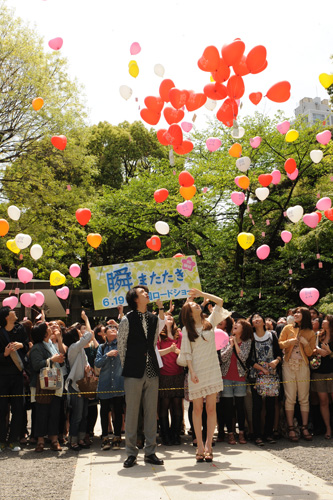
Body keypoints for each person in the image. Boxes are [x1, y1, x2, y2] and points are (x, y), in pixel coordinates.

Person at [180, 288, 230, 462]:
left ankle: (209, 445)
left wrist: (202, 294)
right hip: (197, 372)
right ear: (188, 310)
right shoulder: (187, 329)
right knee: (198, 409)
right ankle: (199, 446)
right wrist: (192, 372)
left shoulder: (210, 322)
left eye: (197, 304)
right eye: (193, 305)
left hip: (212, 369)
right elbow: (186, 354)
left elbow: (220, 301)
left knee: (211, 409)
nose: (197, 305)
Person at [117, 286, 165, 468]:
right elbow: (121, 346)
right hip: (133, 371)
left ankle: (150, 452)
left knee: (151, 412)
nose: (146, 293)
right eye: (142, 292)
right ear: (135, 299)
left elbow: (153, 343)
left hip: (152, 369)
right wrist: (128, 367)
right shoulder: (126, 319)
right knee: (132, 413)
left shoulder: (153, 318)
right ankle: (130, 453)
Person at [279, 307, 316, 442]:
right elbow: (280, 344)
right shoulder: (287, 328)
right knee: (290, 398)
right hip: (288, 365)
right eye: (295, 313)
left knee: (304, 398)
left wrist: (305, 343)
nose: (296, 314)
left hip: (303, 365)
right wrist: (289, 342)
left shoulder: (310, 332)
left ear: (304, 315)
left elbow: (310, 352)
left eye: (299, 313)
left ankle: (304, 427)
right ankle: (290, 428)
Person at [248, 313, 282, 446]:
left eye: (258, 317)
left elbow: (279, 354)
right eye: (253, 318)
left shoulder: (272, 335)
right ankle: (257, 435)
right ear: (252, 323)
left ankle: (269, 433)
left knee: (270, 405)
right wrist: (261, 368)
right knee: (256, 405)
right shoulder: (250, 337)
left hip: (271, 374)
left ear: (263, 321)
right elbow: (248, 359)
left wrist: (275, 361)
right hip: (256, 375)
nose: (256, 319)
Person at [29, 322, 64, 452]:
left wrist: (59, 359)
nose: (50, 328)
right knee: (41, 413)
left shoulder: (51, 344)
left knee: (54, 412)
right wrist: (52, 360)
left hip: (55, 383)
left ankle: (54, 440)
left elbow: (58, 359)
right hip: (42, 385)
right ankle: (40, 441)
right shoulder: (37, 347)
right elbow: (36, 365)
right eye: (47, 327)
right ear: (44, 333)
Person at [0, 306, 29, 452]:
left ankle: (14, 439)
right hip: (2, 376)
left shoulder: (20, 329)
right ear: (6, 316)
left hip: (17, 374)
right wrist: (4, 354)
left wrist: (21, 345)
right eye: (12, 311)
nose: (15, 312)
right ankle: (1, 440)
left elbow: (27, 345)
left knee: (18, 408)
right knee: (2, 408)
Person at [220, 319, 253, 445]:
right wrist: (230, 346)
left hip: (240, 378)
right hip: (226, 377)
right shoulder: (225, 339)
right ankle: (230, 434)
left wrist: (237, 345)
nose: (234, 326)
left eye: (237, 325)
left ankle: (241, 433)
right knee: (228, 407)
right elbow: (223, 358)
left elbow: (244, 357)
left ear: (243, 329)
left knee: (240, 406)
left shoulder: (247, 342)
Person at [63, 318, 93, 451]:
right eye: (78, 333)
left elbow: (85, 363)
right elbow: (89, 335)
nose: (82, 334)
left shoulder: (78, 349)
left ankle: (80, 439)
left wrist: (88, 368)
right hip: (75, 386)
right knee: (77, 415)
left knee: (84, 414)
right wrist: (86, 320)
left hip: (82, 385)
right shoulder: (74, 348)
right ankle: (73, 440)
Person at [95, 324, 125, 451]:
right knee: (104, 411)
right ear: (104, 334)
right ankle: (105, 437)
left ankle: (117, 437)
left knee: (118, 412)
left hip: (119, 383)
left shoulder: (122, 345)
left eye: (115, 329)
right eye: (110, 329)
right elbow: (97, 363)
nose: (113, 330)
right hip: (105, 384)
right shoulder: (102, 347)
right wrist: (107, 355)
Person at [157, 314, 184, 446]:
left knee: (177, 405)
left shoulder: (180, 335)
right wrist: (170, 349)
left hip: (178, 373)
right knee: (164, 405)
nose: (169, 317)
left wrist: (178, 351)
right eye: (166, 316)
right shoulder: (159, 335)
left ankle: (176, 434)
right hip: (164, 374)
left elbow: (185, 352)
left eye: (171, 316)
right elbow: (156, 353)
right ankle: (165, 435)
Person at [310, 314, 333, 439]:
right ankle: (327, 428)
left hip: (331, 372)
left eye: (326, 320)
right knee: (323, 401)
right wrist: (319, 350)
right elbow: (312, 349)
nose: (323, 321)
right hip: (319, 372)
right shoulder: (319, 335)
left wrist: (330, 353)